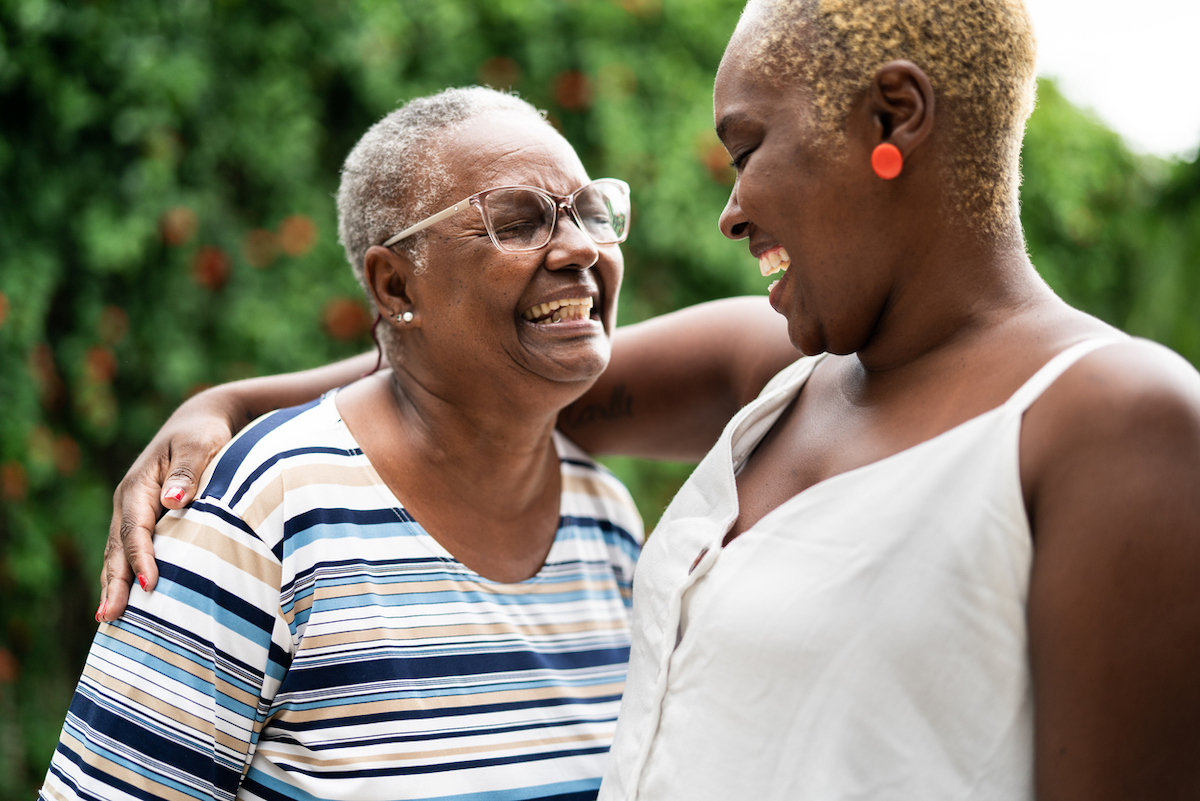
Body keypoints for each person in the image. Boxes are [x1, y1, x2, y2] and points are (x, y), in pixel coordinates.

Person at [101, 0, 1200, 798]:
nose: (729, 210)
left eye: (748, 147)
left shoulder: (1111, 418)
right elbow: (489, 364)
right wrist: (232, 402)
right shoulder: (780, 374)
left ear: (893, 116)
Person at [43, 86, 795, 801]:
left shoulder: (604, 522)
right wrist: (231, 406)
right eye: (519, 220)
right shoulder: (263, 510)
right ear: (397, 289)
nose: (579, 249)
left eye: (590, 212)